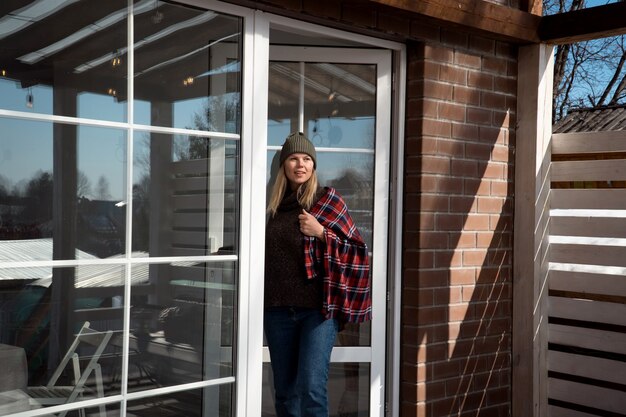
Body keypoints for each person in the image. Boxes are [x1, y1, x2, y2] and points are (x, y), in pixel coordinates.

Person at [264, 131, 371, 417]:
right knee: (285, 392)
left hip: (317, 311)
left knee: (312, 388)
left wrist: (322, 233)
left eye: (307, 159)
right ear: (284, 165)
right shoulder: (269, 208)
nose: (301, 164)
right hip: (276, 310)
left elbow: (358, 252)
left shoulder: (327, 201)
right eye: (294, 158)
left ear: (314, 166)